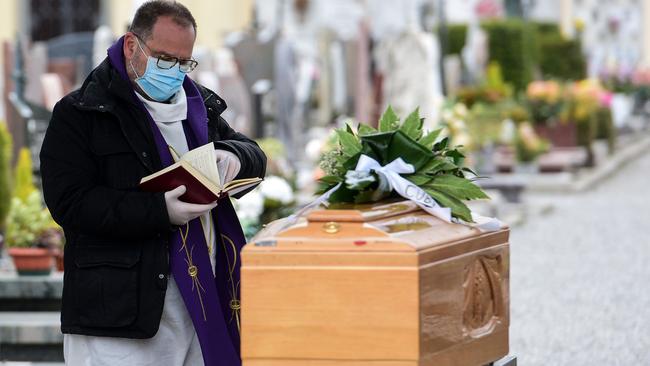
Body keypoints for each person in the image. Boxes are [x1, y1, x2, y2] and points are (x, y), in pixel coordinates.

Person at [39, 1, 266, 365]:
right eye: (164, 59)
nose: (175, 72)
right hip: (119, 311)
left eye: (183, 62)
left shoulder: (198, 106)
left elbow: (253, 153)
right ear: (132, 46)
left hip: (198, 300)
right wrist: (159, 210)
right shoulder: (81, 112)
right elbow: (70, 203)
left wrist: (233, 157)